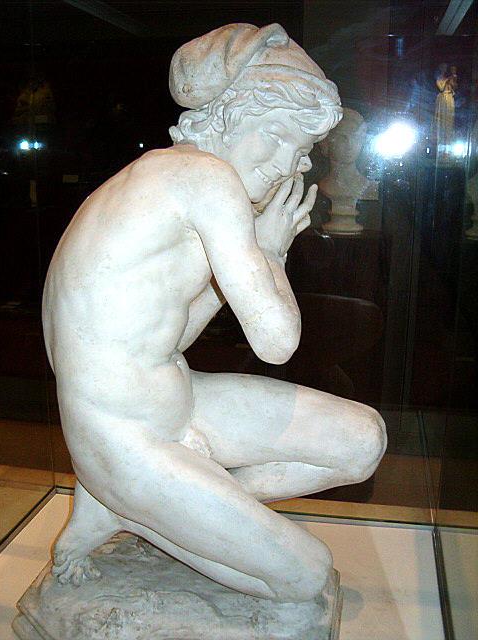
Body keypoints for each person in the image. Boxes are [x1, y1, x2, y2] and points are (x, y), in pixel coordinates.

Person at [43, 23, 386, 603]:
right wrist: (271, 254)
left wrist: (256, 257)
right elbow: (276, 343)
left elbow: (167, 337)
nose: (286, 165)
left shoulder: (163, 181)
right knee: (305, 576)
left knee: (364, 441)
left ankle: (160, 507)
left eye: (302, 152)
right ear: (225, 115)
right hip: (122, 441)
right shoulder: (206, 178)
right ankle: (135, 507)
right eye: (274, 135)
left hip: (176, 403)